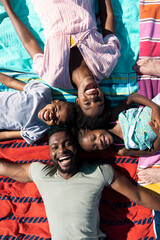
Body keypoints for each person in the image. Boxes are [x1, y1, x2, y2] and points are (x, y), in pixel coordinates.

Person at [1, 127, 160, 239]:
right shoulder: (40, 173)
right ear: (49, 153)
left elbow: (137, 195)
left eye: (67, 143)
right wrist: (15, 134)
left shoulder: (99, 172)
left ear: (77, 147)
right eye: (54, 147)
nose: (61, 150)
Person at [0, 0, 120, 118]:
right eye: (99, 100)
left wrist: (7, 7)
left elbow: (29, 42)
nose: (93, 97)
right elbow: (107, 16)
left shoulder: (54, 77)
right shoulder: (106, 64)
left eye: (87, 104)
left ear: (77, 101)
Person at [77, 92, 160, 157]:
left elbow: (132, 98)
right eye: (96, 147)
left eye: (94, 137)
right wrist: (159, 134)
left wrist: (154, 107)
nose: (99, 142)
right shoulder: (121, 149)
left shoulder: (113, 117)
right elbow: (151, 151)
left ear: (95, 128)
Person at [0, 72, 75, 143]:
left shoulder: (38, 130)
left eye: (55, 119)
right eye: (55, 109)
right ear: (54, 102)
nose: (52, 115)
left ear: (56, 125)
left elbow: (6, 135)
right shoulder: (42, 93)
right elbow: (11, 82)